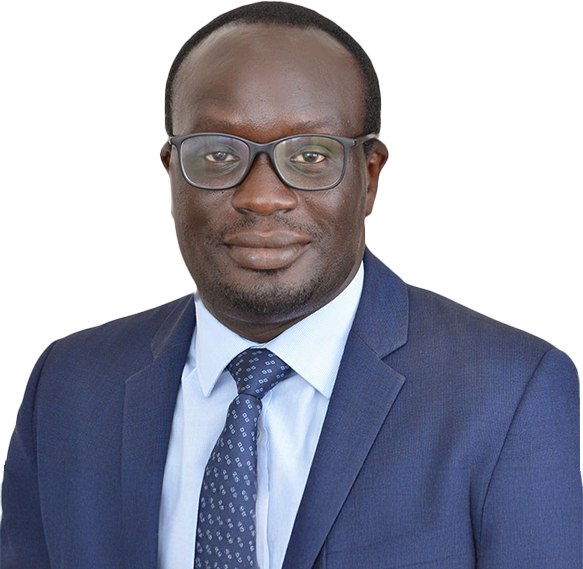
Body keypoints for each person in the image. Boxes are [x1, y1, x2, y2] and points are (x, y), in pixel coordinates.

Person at [1, 2, 581, 568]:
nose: (261, 197)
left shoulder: (512, 394)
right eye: (218, 154)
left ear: (370, 177)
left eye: (310, 155)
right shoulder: (68, 386)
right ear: (172, 171)